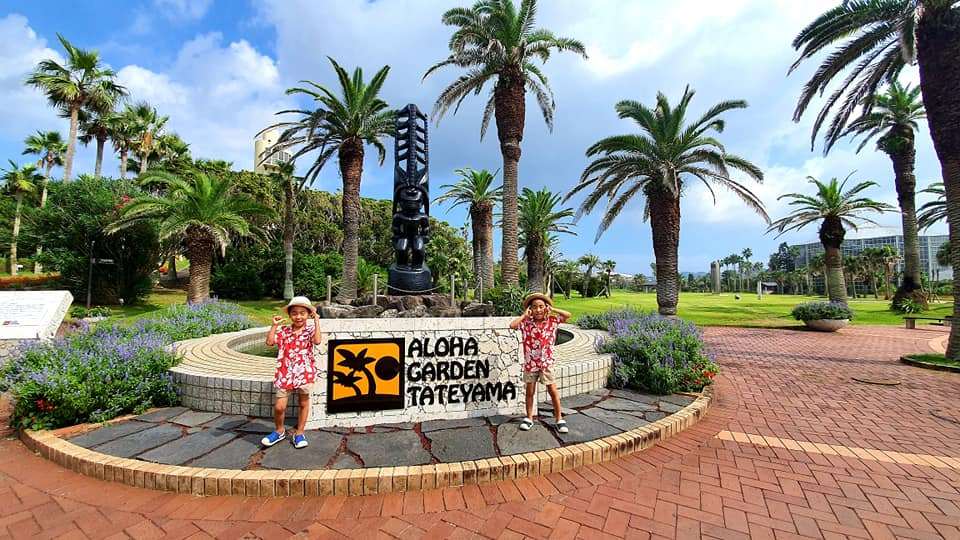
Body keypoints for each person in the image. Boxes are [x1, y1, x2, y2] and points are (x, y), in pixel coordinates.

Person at [261, 296, 322, 449]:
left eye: (302, 313)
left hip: (304, 372)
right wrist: (274, 326)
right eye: (294, 313)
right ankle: (279, 430)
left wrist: (316, 320)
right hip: (285, 372)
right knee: (279, 406)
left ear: (308, 314)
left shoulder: (310, 330)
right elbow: (269, 342)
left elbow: (317, 341)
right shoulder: (284, 331)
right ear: (289, 315)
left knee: (303, 403)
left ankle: (299, 433)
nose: (298, 316)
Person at [509, 293, 572, 433]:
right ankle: (529, 418)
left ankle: (559, 418)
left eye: (541, 306)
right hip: (531, 363)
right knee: (530, 391)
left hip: (546, 363)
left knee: (553, 391)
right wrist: (524, 315)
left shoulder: (552, 321)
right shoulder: (526, 323)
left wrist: (553, 309)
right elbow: (512, 325)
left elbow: (568, 315)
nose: (538, 310)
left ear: (546, 307)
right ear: (530, 309)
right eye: (534, 307)